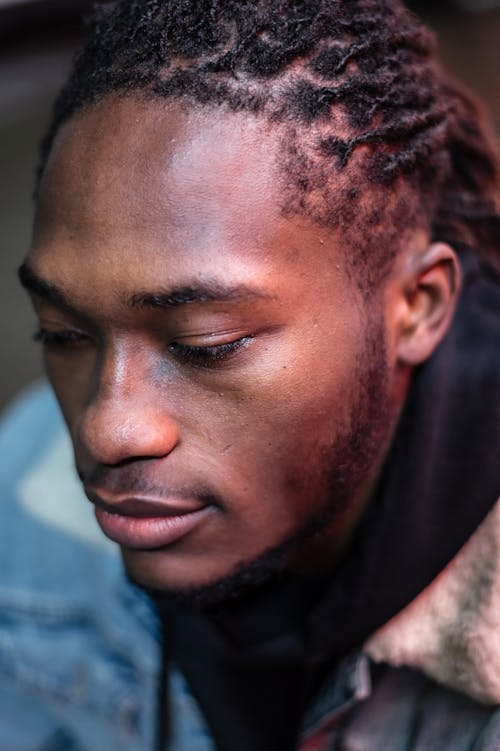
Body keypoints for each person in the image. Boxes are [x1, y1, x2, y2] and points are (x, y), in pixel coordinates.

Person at [2, 0, 500, 748]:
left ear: (417, 306)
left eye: (206, 344)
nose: (108, 429)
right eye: (65, 332)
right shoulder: (25, 486)